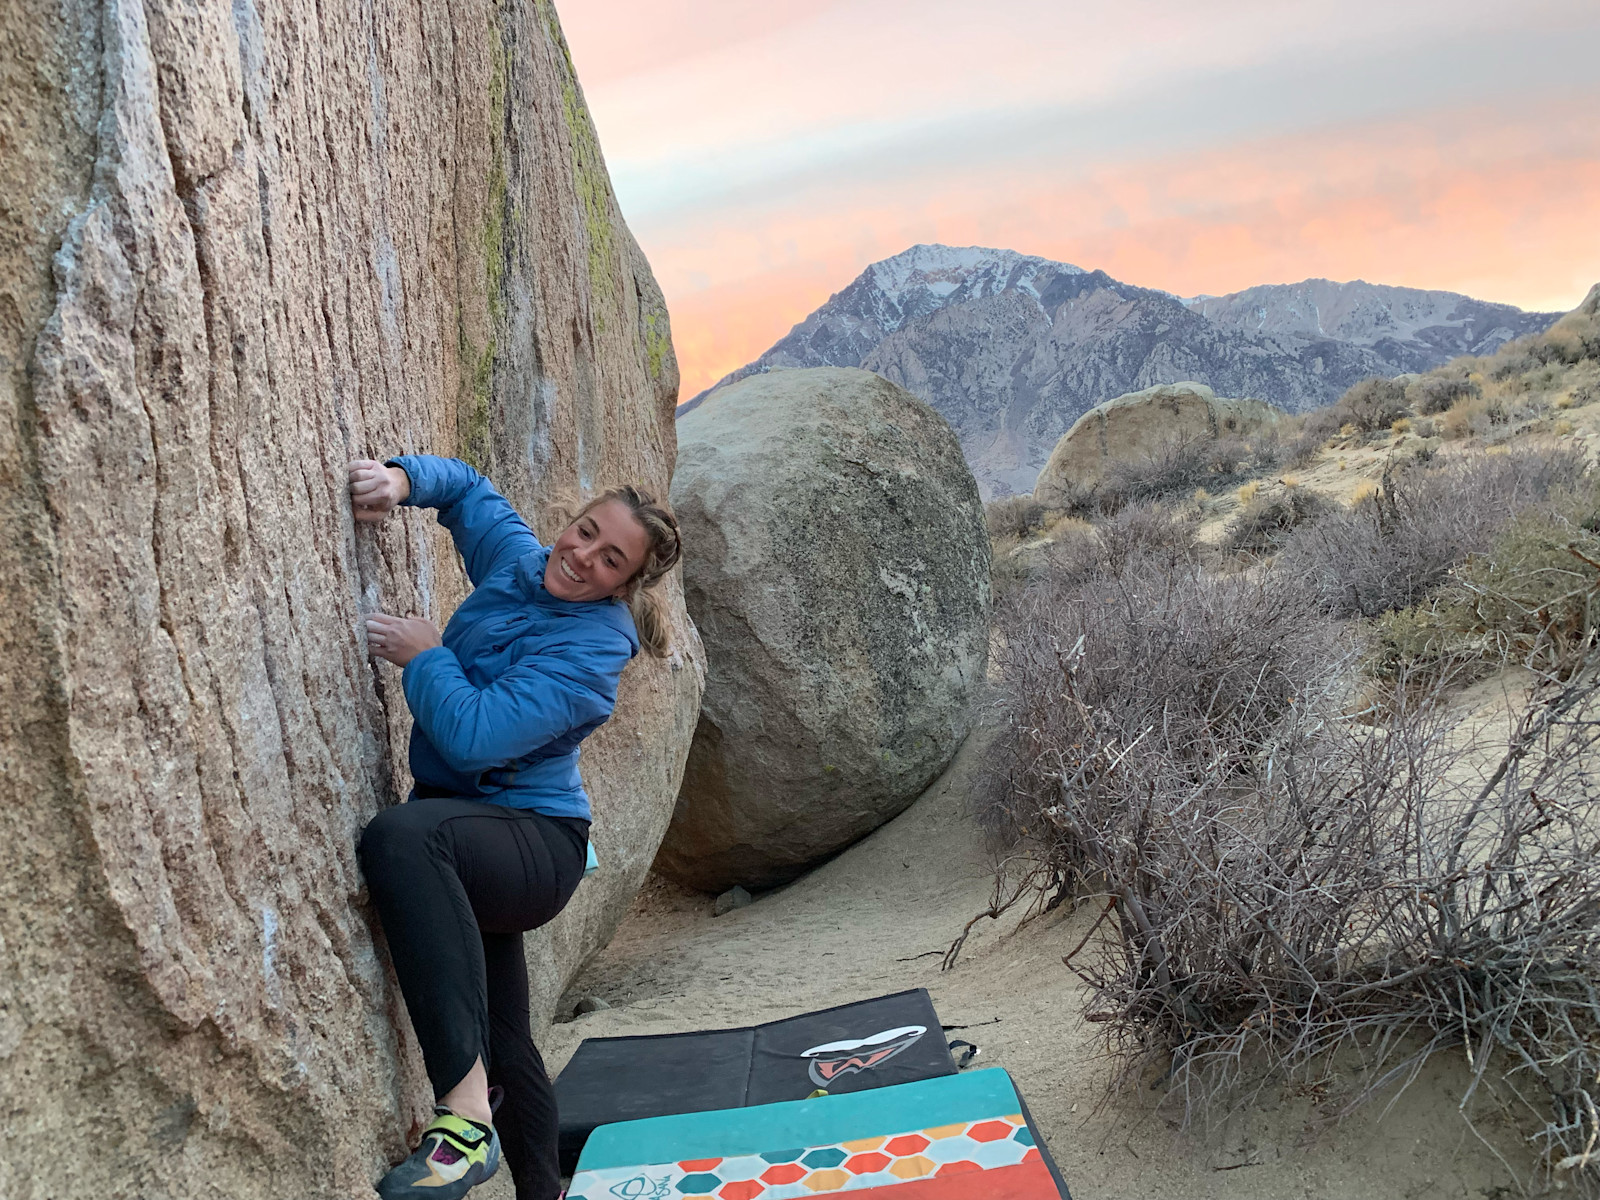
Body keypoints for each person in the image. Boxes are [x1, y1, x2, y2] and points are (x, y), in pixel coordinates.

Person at [348, 454, 681, 1200]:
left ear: (625, 585)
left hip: (533, 847)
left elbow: (474, 735)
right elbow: (469, 491)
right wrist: (401, 481)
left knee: (401, 836)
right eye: (585, 532)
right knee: (505, 1037)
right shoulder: (522, 563)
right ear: (570, 522)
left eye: (610, 559)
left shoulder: (594, 651)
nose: (582, 556)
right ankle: (543, 1191)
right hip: (473, 828)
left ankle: (464, 1124)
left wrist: (427, 656)